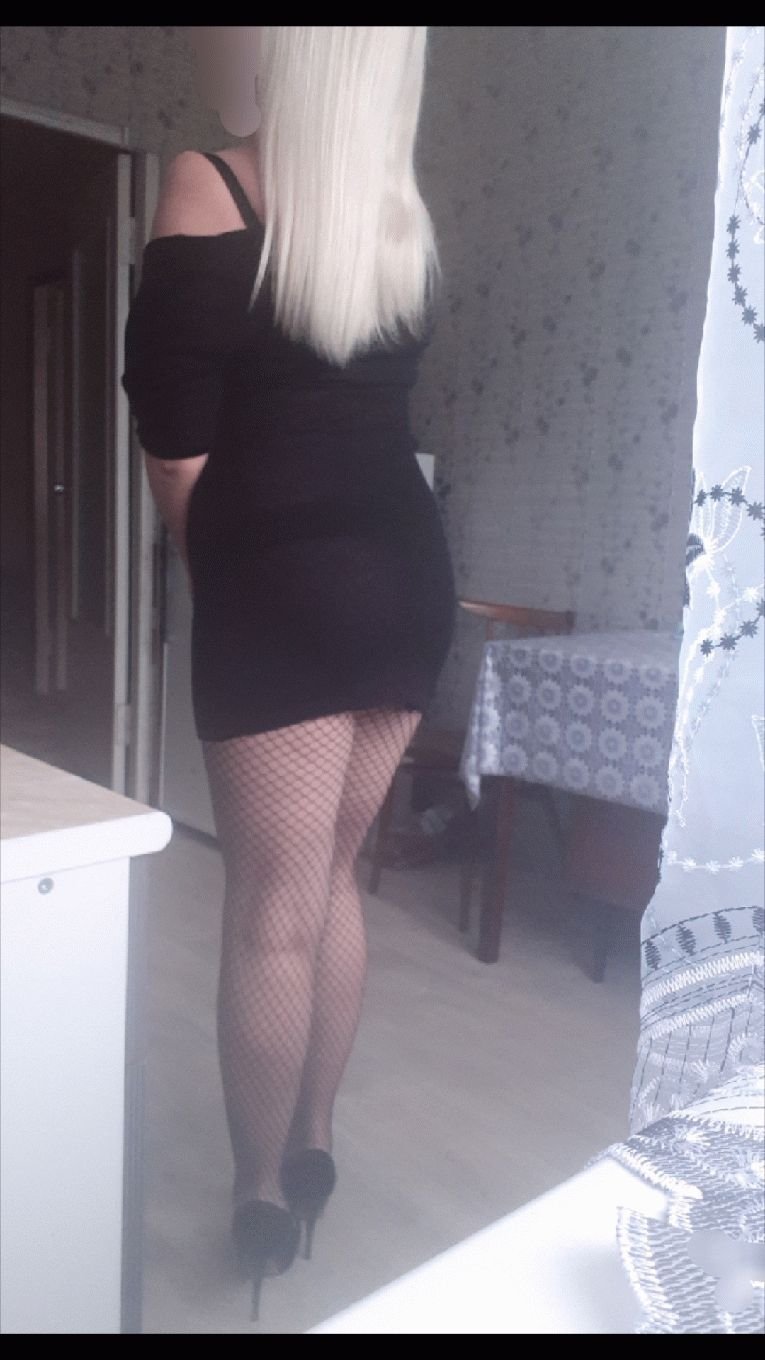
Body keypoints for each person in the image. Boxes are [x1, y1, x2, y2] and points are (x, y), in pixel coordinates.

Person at [122, 26, 455, 1317]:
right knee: (329, 879)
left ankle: (258, 1192)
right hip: (407, 573)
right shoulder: (398, 214)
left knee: (270, 907)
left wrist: (219, 567)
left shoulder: (212, 180)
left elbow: (174, 440)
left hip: (281, 579)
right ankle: (312, 1140)